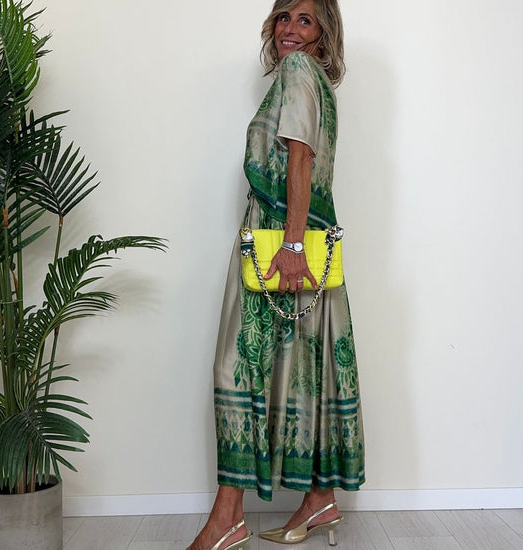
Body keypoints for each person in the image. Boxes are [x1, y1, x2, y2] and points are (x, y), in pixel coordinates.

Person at [187, 1, 364, 549]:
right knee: (303, 370)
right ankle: (319, 499)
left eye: (304, 19)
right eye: (284, 16)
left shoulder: (298, 70)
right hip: (311, 246)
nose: (289, 27)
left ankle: (227, 518)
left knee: (236, 368)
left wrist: (289, 244)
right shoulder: (318, 84)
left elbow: (300, 157)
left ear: (323, 33)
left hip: (281, 245)